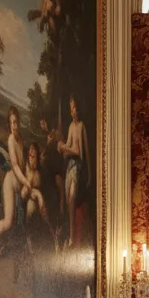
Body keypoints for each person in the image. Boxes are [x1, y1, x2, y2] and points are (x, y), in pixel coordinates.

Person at [0, 107, 33, 257]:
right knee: (7, 222)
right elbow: (15, 165)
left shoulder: (21, 139)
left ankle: (8, 247)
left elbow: (24, 163)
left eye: (16, 122)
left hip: (20, 184)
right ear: (9, 125)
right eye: (12, 123)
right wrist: (26, 181)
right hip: (10, 183)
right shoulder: (11, 140)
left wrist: (28, 178)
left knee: (20, 218)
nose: (15, 126)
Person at [57, 95, 90, 249]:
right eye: (71, 109)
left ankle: (71, 237)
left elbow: (83, 152)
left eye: (75, 108)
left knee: (71, 198)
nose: (74, 112)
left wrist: (90, 173)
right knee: (67, 200)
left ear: (79, 109)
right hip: (70, 164)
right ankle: (69, 236)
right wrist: (63, 147)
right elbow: (68, 151)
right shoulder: (70, 127)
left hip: (78, 166)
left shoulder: (82, 126)